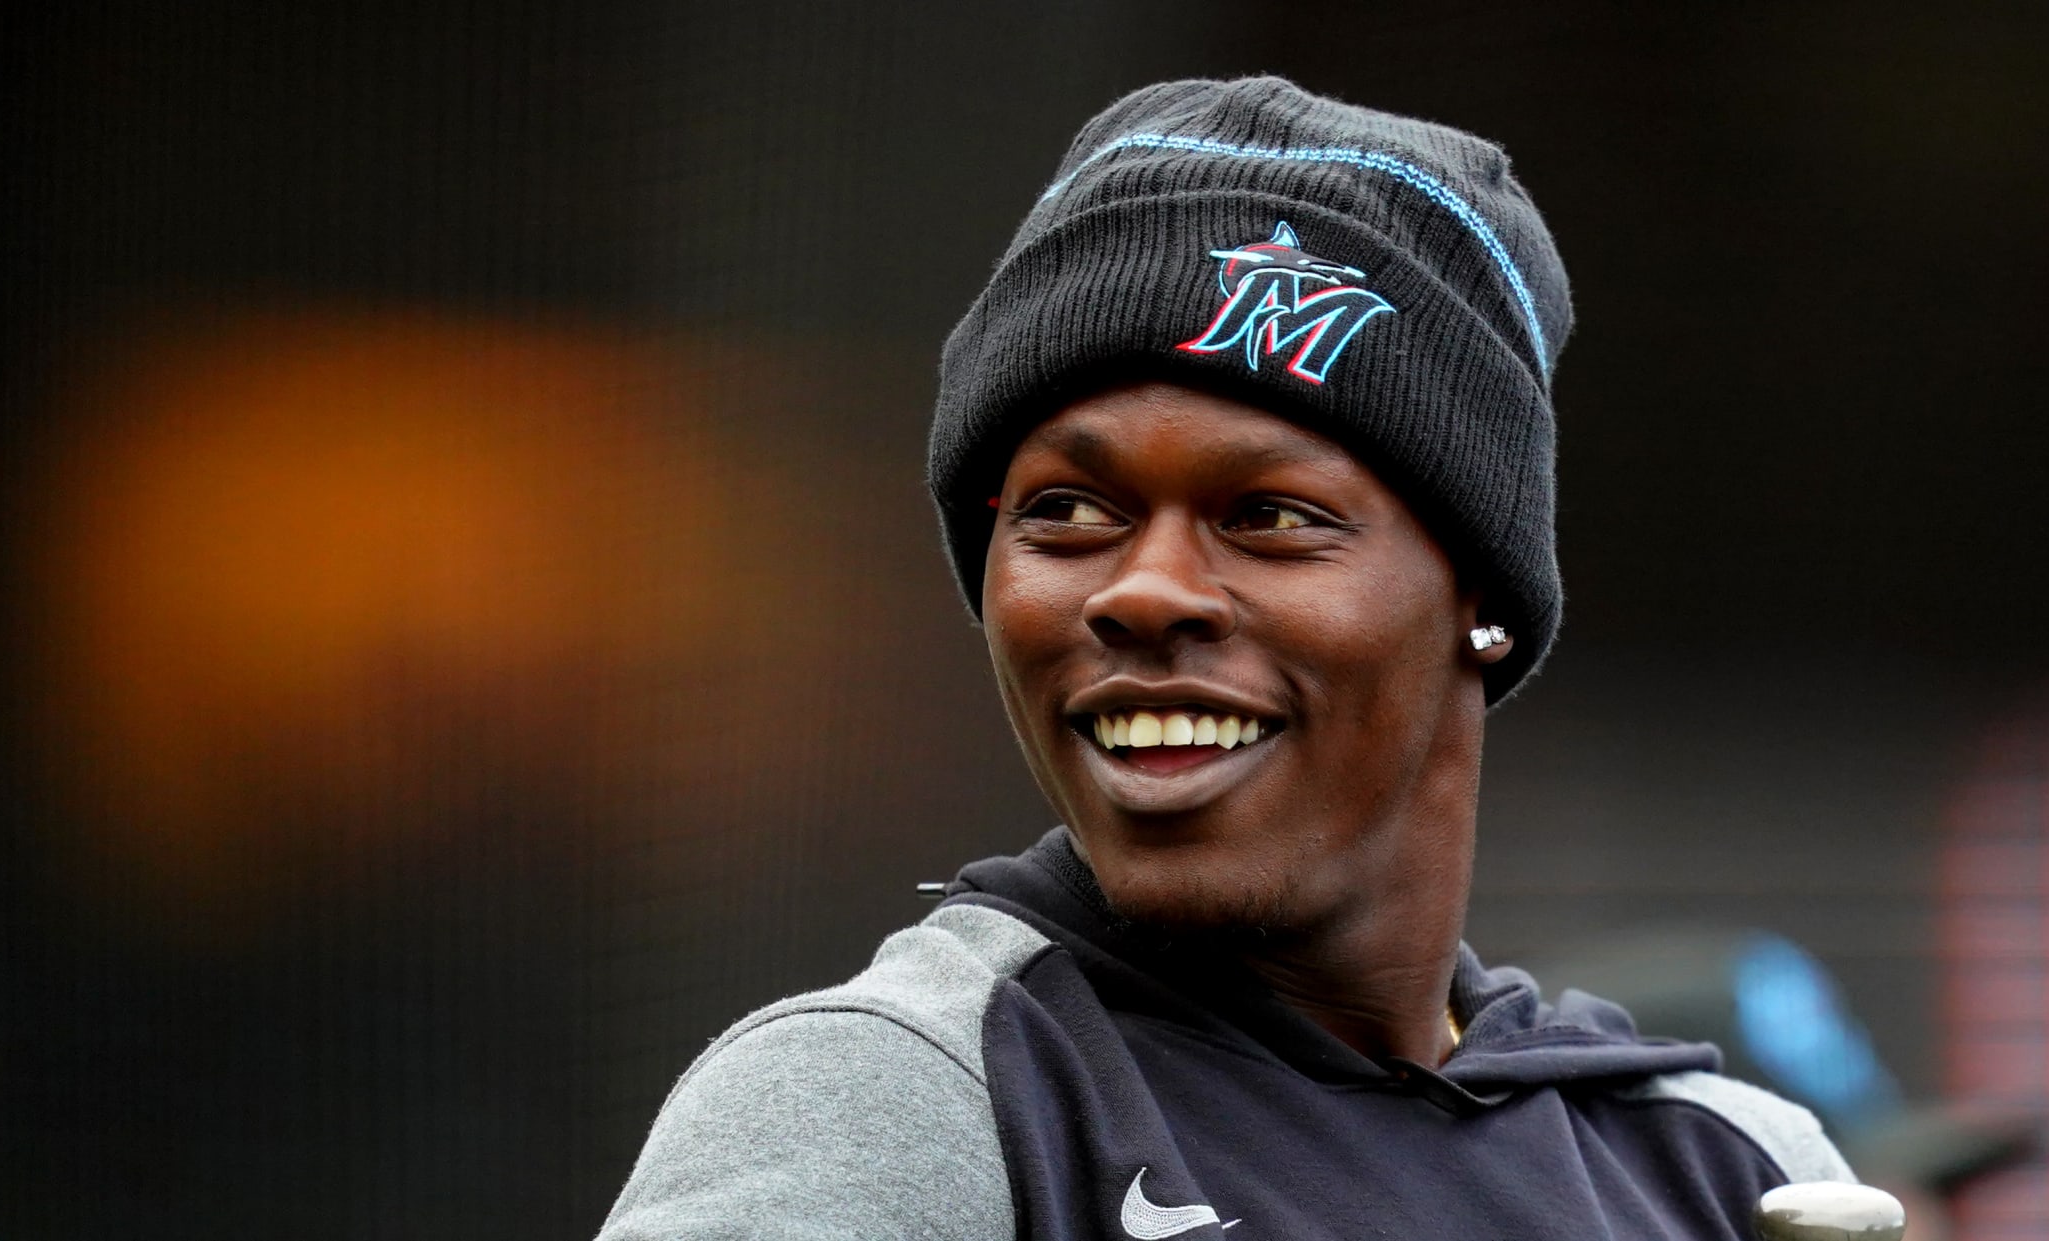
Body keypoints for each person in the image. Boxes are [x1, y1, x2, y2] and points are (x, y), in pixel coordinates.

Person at [597, 76, 1854, 1240]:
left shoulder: (1724, 1163)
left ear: (1484, 592)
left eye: (1270, 515)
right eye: (1067, 512)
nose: (1144, 591)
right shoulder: (903, 1101)